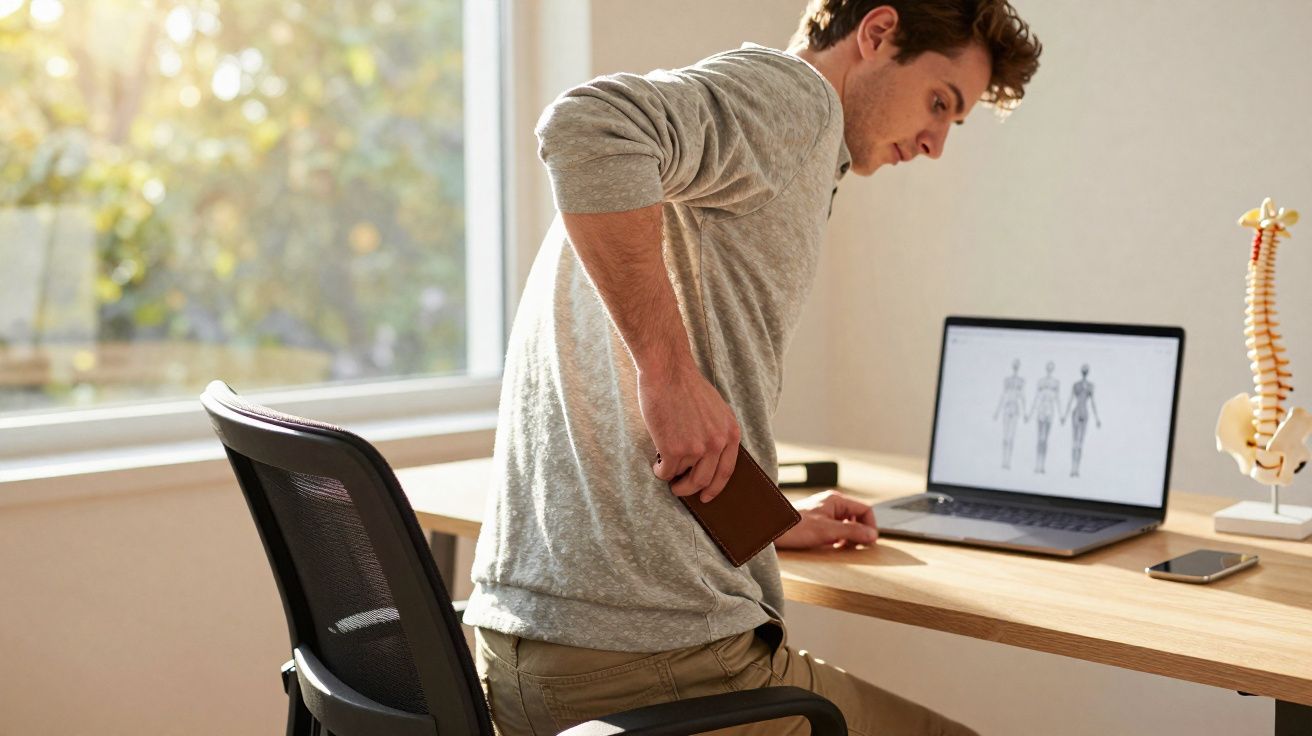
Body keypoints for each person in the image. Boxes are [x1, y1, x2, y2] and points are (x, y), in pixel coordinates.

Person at [463, 1, 1041, 733]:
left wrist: (762, 524)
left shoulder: (763, 140)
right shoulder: (794, 102)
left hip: (519, 655)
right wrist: (667, 373)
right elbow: (588, 124)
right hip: (659, 669)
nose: (934, 145)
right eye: (938, 102)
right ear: (877, 33)